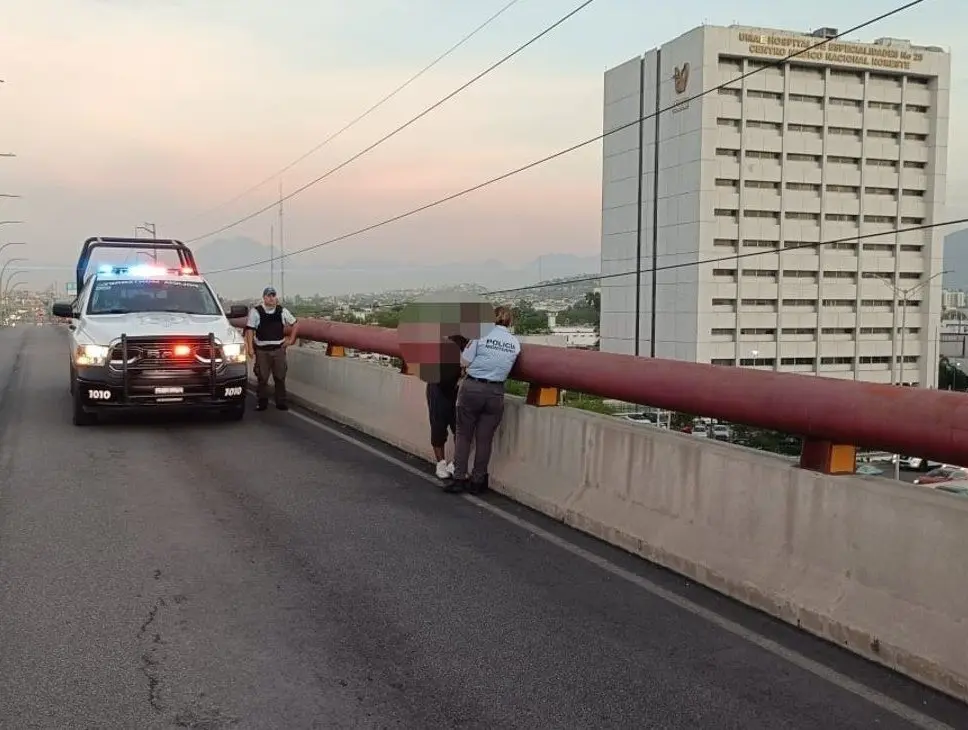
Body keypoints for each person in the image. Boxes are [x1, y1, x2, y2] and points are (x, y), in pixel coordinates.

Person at [448, 306, 520, 494]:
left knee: (464, 435)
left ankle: (458, 478)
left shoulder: (481, 336)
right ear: (509, 322)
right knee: (484, 439)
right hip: (496, 391)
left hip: (473, 388)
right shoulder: (514, 343)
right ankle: (478, 480)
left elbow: (464, 361)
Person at [244, 286, 297, 411]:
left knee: (280, 376)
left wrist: (291, 340)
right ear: (264, 298)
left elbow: (295, 324)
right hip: (262, 350)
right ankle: (262, 402)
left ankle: (281, 401)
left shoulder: (282, 311)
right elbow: (250, 330)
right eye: (269, 296)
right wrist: (250, 348)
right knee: (262, 377)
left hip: (278, 349)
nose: (271, 298)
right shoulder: (256, 312)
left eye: (273, 295)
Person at [427, 334, 468, 479]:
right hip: (439, 387)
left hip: (456, 389)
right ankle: (441, 463)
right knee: (438, 425)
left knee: (460, 428)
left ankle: (455, 463)